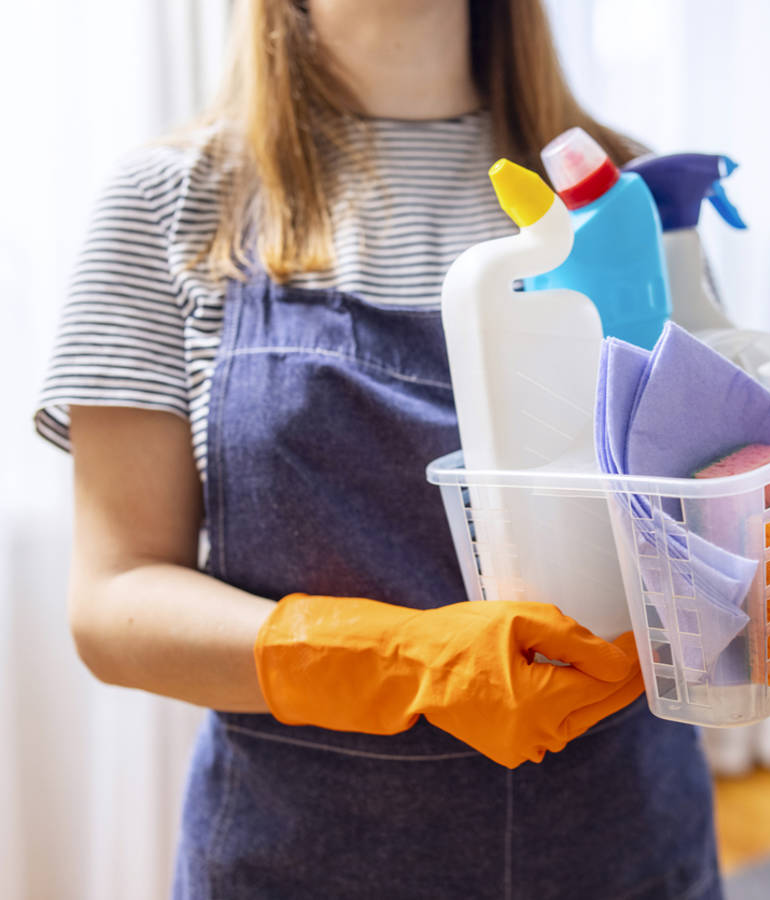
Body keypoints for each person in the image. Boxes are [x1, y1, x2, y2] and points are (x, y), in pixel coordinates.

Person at [35, 1, 726, 897]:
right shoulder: (171, 203)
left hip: (627, 848)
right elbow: (113, 602)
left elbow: (710, 505)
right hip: (298, 864)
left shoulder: (626, 194)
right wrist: (403, 662)